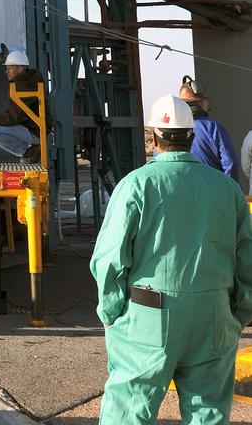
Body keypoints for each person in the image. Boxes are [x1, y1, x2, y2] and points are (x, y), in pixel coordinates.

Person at [91, 93, 252, 424]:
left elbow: (109, 259)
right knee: (207, 410)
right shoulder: (227, 189)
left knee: (131, 407)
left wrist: (111, 312)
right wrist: (239, 313)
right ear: (191, 137)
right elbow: (247, 257)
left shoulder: (135, 185)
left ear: (153, 137)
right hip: (214, 314)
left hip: (149, 314)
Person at [0, 50, 47, 162]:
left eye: (10, 68)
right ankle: (30, 151)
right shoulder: (29, 81)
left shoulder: (23, 86)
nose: (6, 71)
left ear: (20, 69)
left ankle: (29, 152)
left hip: (36, 131)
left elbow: (15, 116)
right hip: (35, 128)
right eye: (6, 67)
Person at [177, 75, 241, 183]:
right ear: (200, 102)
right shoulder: (213, 128)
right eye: (206, 100)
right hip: (213, 193)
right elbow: (231, 163)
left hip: (183, 193)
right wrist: (230, 190)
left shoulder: (172, 128)